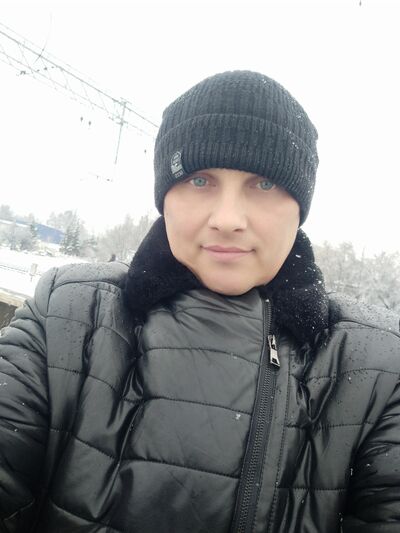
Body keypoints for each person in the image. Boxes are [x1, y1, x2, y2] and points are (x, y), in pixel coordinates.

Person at [0, 70, 399, 533]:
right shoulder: (67, 316)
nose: (228, 219)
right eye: (199, 180)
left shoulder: (379, 369)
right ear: (165, 197)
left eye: (263, 184)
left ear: (299, 207)